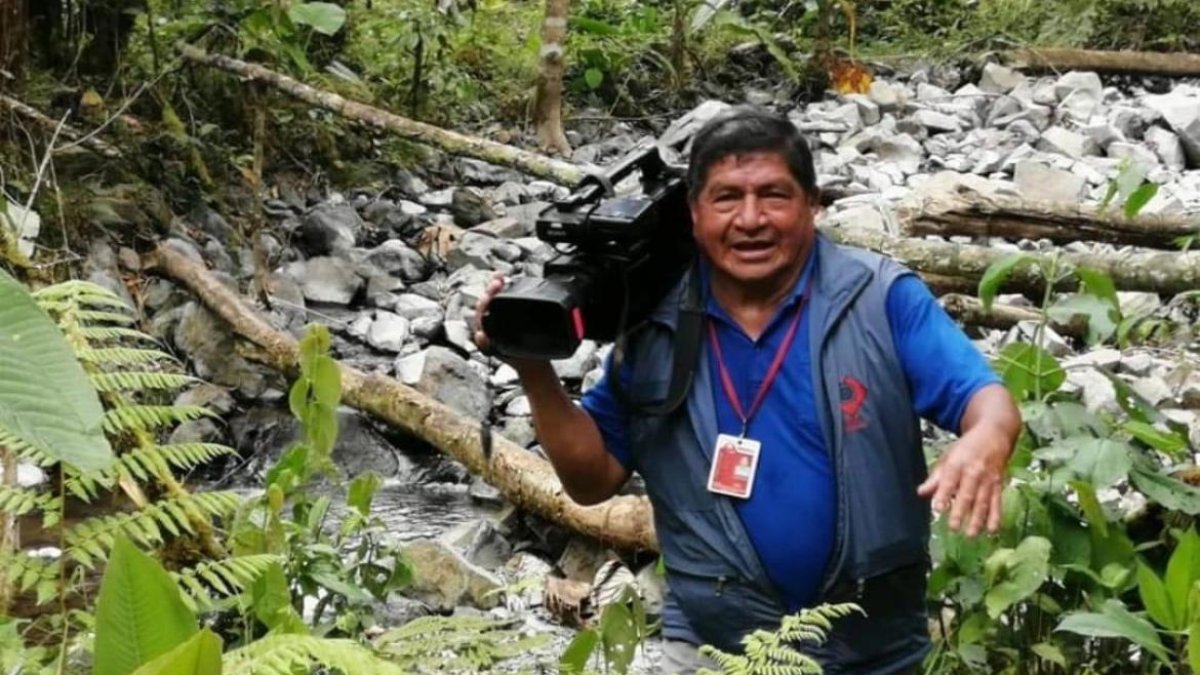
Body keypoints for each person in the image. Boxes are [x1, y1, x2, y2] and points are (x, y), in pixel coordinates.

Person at [473, 106, 1021, 674]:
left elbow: (986, 400)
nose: (751, 219)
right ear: (693, 213)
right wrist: (533, 368)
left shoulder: (879, 299)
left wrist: (987, 440)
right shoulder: (656, 322)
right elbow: (590, 481)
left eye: (775, 196)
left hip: (871, 648)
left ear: (813, 204)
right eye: (727, 198)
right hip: (713, 647)